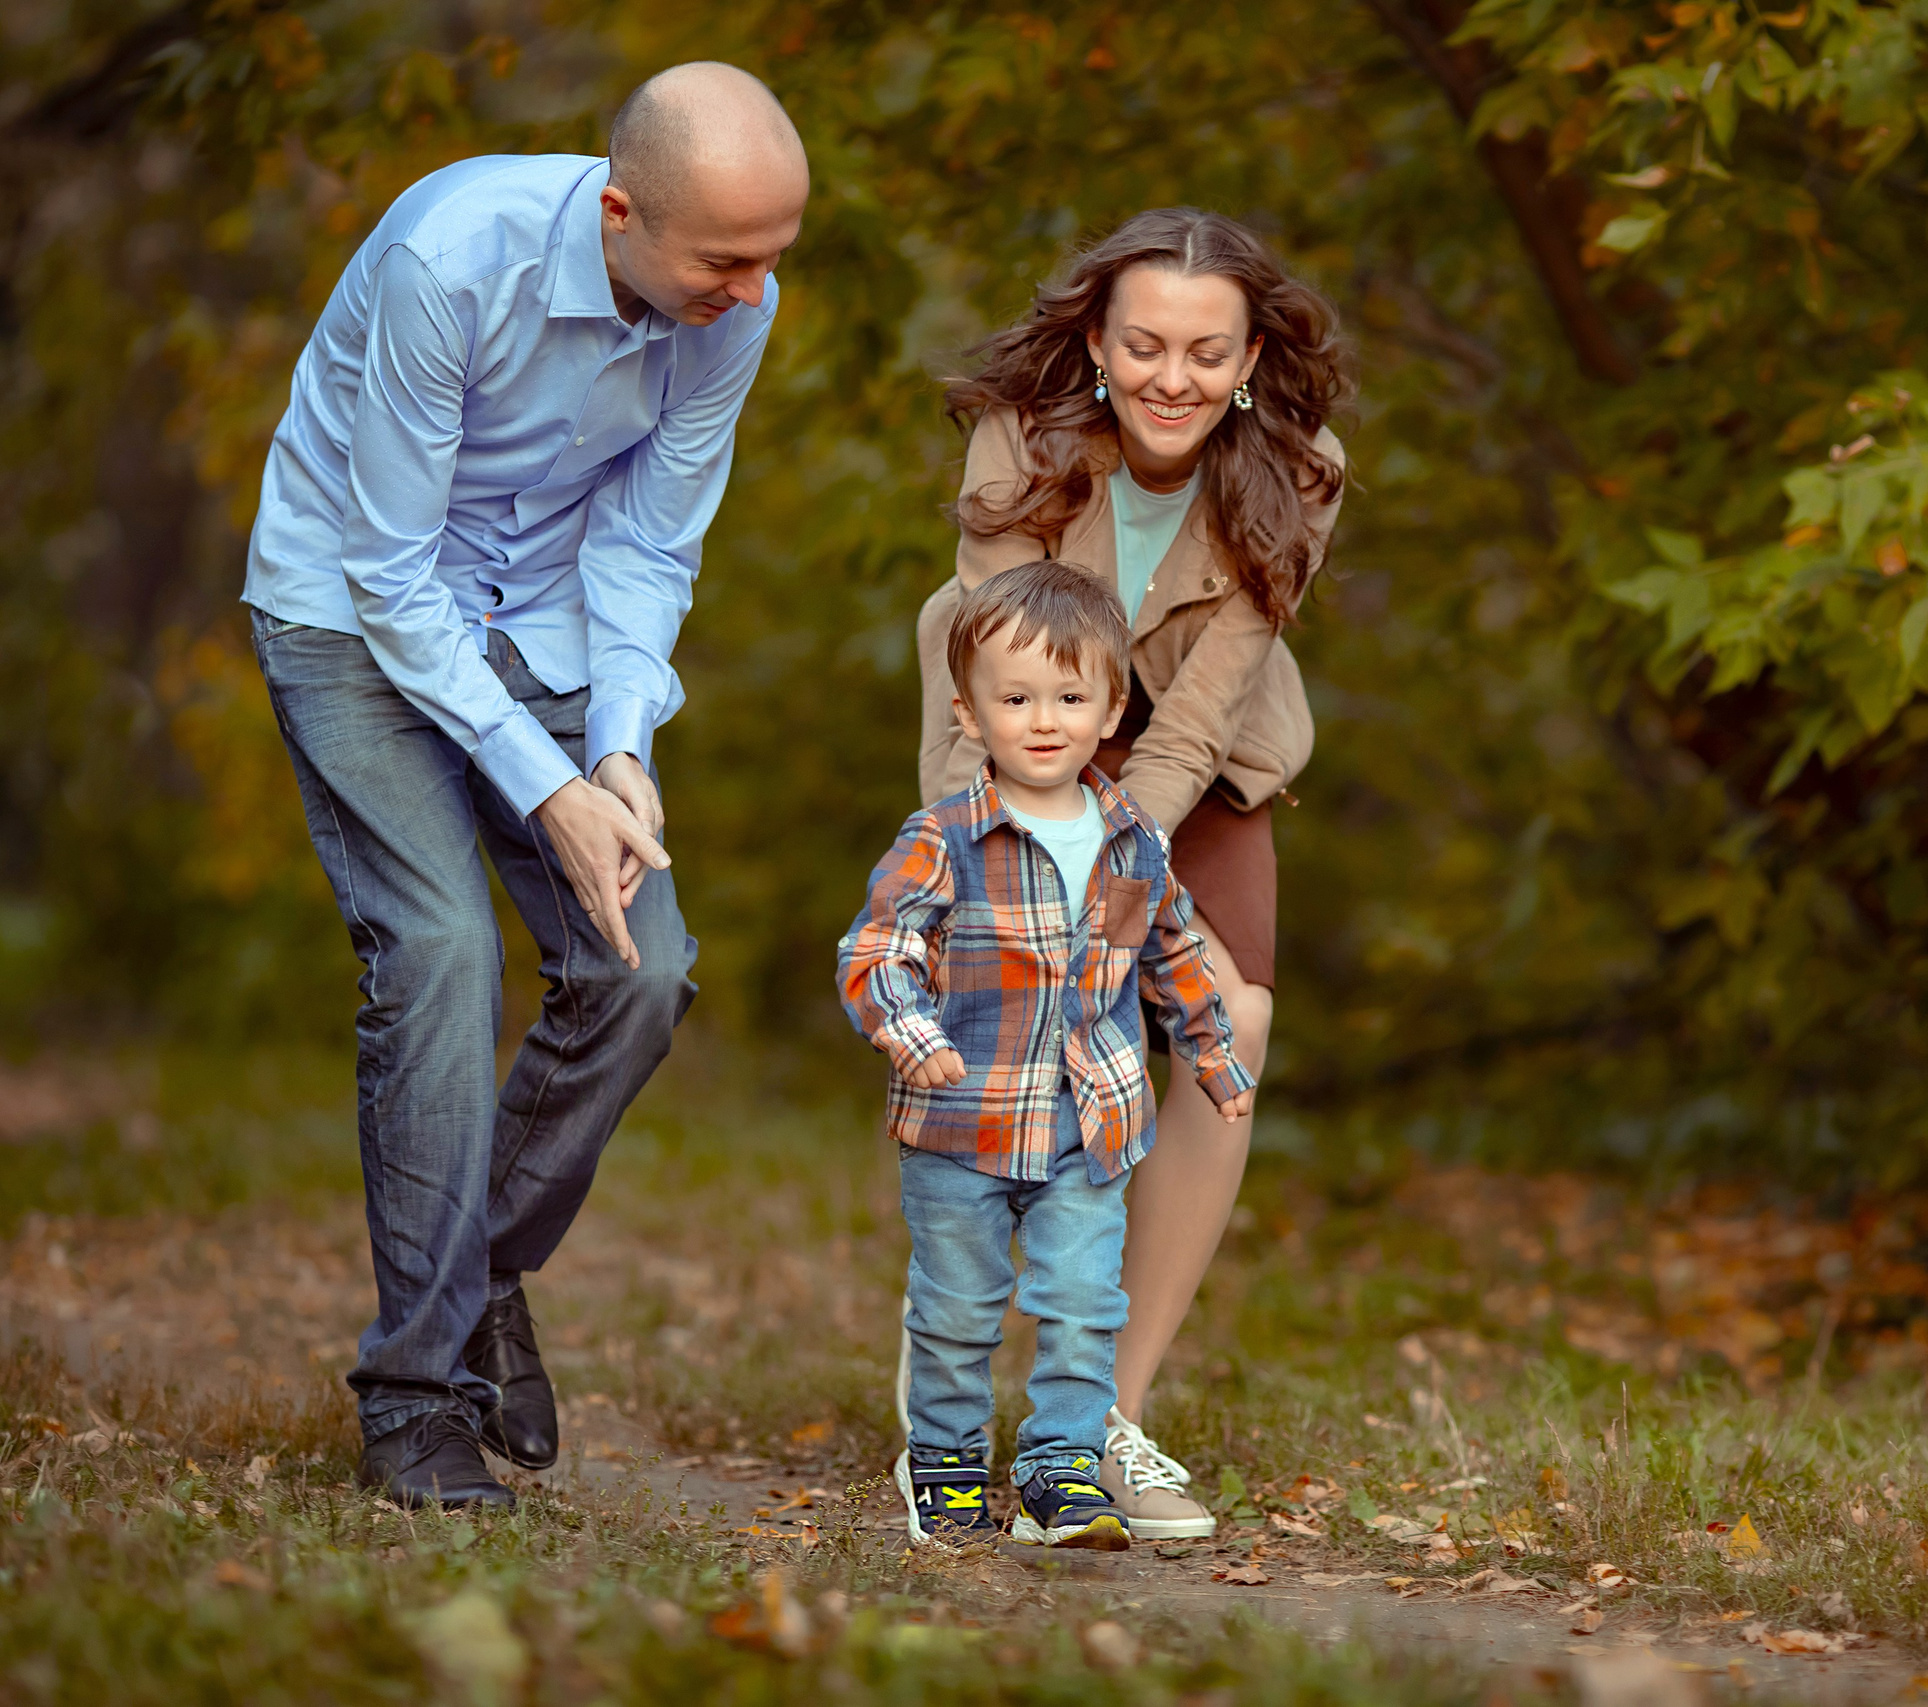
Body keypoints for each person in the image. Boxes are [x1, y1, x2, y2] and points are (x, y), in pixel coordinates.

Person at [241, 64, 807, 1509]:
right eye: (724, 261)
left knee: (642, 962)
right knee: (437, 950)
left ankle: (480, 1264)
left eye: (773, 259)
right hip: (353, 612)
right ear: (621, 211)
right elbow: (392, 570)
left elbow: (649, 546)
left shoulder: (731, 305)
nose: (752, 295)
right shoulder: (451, 256)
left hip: (545, 611)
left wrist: (614, 744)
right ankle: (415, 1396)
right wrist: (537, 785)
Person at [919, 207, 1350, 1538]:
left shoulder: (1302, 465)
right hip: (1017, 729)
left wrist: (1126, 870)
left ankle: (1101, 1412)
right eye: (1147, 346)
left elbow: (1208, 708)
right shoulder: (1025, 436)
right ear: (1098, 343)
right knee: (1039, 1014)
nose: (1176, 380)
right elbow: (1010, 670)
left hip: (1194, 764)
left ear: (1253, 356)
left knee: (1235, 1020)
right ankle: (951, 1354)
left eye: (1208, 354)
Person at [842, 561, 1255, 1548]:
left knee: (1082, 1303)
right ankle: (943, 1458)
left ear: (1111, 707)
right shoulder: (943, 840)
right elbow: (876, 950)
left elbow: (1175, 955)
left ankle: (1060, 1467)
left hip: (1087, 1128)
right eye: (1014, 698)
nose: (1042, 720)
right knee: (957, 1308)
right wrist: (911, 1033)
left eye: (1069, 697)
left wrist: (1215, 1059)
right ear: (968, 714)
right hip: (960, 1126)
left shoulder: (1127, 844)